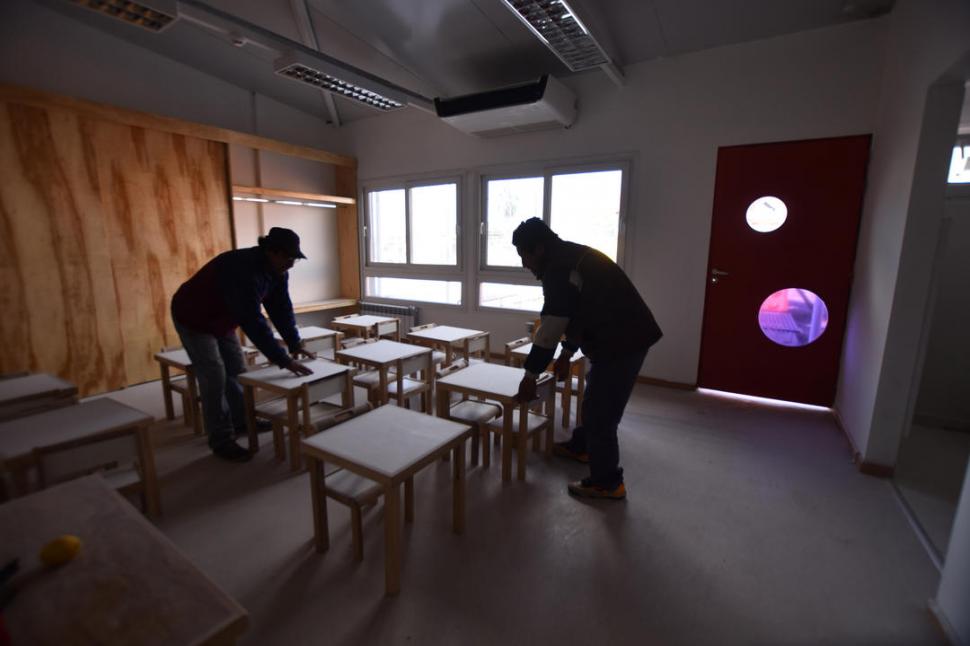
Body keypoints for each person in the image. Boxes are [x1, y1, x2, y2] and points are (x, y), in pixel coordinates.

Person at [512, 218, 662, 499]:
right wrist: (567, 354)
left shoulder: (559, 269)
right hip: (618, 336)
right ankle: (581, 447)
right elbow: (580, 312)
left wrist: (530, 375)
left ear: (540, 249)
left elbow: (551, 328)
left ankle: (607, 482)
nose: (524, 264)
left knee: (601, 412)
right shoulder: (570, 256)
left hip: (624, 342)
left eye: (525, 255)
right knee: (595, 395)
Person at [171, 227, 314, 462]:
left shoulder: (278, 272)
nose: (290, 265)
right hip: (194, 318)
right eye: (288, 258)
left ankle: (242, 422)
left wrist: (294, 342)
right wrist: (282, 359)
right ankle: (221, 439)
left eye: (294, 260)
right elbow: (252, 320)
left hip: (224, 319)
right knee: (214, 376)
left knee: (237, 370)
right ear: (271, 251)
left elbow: (280, 308)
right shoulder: (240, 268)